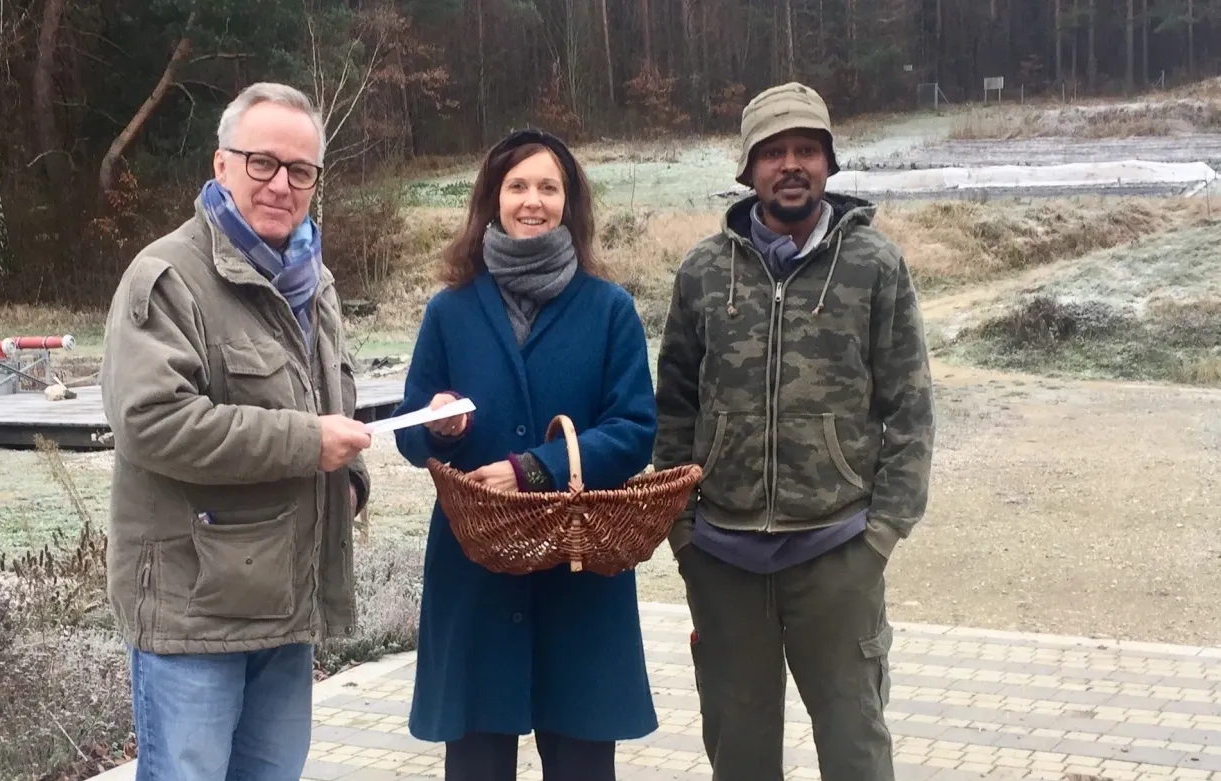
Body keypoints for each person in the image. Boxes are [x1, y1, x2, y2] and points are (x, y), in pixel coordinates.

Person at [652, 82, 936, 781]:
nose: (790, 165)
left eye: (806, 149)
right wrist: (682, 531)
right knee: (740, 754)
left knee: (855, 748)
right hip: (723, 556)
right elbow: (674, 408)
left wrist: (882, 533)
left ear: (829, 164)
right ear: (747, 168)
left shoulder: (874, 265)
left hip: (838, 552)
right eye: (772, 151)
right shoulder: (702, 271)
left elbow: (910, 406)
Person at [99, 82, 374, 781]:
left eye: (301, 170)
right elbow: (152, 422)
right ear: (221, 164)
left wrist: (352, 478)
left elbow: (332, 394)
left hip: (284, 607)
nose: (282, 183)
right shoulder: (167, 277)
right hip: (193, 616)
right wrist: (308, 443)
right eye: (262, 162)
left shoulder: (315, 280)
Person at [390, 128, 659, 781]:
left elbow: (634, 427)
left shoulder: (609, 309)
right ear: (493, 199)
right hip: (477, 571)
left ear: (569, 203)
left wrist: (532, 469)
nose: (532, 200)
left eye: (548, 186)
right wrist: (441, 428)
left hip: (580, 571)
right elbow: (409, 428)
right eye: (518, 186)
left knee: (581, 766)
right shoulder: (451, 310)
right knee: (478, 765)